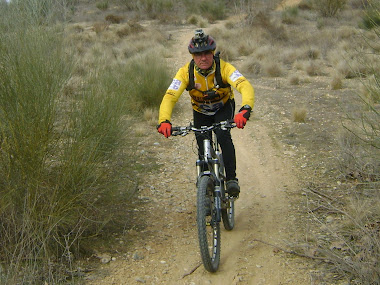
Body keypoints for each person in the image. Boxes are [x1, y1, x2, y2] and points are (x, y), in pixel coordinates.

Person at [157, 29, 254, 197]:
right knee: (202, 142)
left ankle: (231, 179)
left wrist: (245, 109)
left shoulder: (224, 68)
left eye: (207, 53)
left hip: (223, 107)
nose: (203, 58)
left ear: (212, 53)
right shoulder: (185, 73)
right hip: (200, 111)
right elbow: (170, 96)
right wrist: (164, 120)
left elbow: (244, 85)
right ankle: (205, 187)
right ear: (192, 56)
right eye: (198, 54)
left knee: (223, 135)